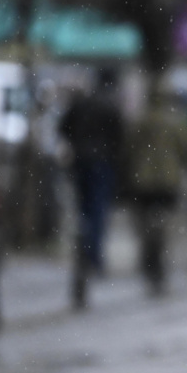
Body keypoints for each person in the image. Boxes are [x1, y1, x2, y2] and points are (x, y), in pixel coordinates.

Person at [125, 83, 187, 294]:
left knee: (145, 223)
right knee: (165, 224)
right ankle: (160, 261)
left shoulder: (140, 120)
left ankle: (149, 260)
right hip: (168, 180)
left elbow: (129, 149)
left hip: (144, 180)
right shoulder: (175, 122)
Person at [59, 68, 124, 275]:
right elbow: (120, 138)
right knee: (98, 210)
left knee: (84, 210)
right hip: (102, 163)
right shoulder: (111, 106)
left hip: (80, 161)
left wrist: (76, 144)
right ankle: (93, 256)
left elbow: (63, 128)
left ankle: (84, 253)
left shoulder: (82, 103)